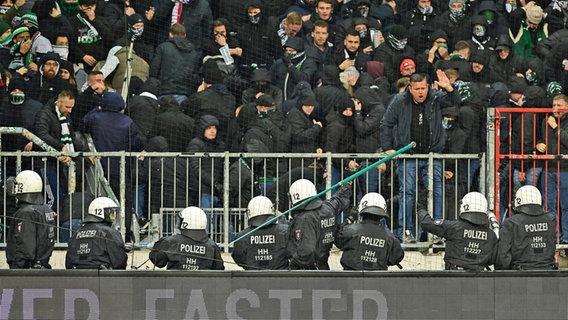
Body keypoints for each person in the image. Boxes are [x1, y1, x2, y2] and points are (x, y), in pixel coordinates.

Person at [380, 70, 461, 243]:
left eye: (423, 88)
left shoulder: (435, 97)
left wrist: (449, 88)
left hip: (433, 155)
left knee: (437, 192)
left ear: (428, 87)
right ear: (410, 88)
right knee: (407, 192)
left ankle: (437, 233)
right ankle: (406, 232)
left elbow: (456, 102)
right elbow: (386, 123)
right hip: (408, 155)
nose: (421, 92)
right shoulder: (399, 101)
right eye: (417, 88)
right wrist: (387, 148)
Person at [419, 191, 498, 271]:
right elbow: (491, 260)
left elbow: (426, 223)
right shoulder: (491, 236)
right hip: (479, 280)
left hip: (453, 277)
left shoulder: (454, 227)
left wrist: (420, 207)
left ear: (465, 206)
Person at [286, 179, 352, 270]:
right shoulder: (328, 208)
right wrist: (347, 185)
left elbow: (306, 251)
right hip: (324, 266)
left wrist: (292, 266)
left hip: (308, 271)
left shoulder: (304, 219)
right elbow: (339, 199)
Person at [335, 192, 404, 270]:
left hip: (350, 279)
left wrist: (350, 219)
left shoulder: (350, 231)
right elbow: (396, 257)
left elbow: (337, 239)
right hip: (378, 280)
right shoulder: (390, 238)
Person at [495, 186, 557, 270]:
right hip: (549, 271)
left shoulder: (511, 222)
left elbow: (503, 256)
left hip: (520, 275)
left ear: (518, 201)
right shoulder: (551, 220)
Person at [6, 170, 56, 269]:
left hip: (26, 270)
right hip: (42, 265)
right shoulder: (46, 209)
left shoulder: (26, 213)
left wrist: (17, 267)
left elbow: (25, 247)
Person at [149, 206, 225, 270]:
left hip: (174, 285)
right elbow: (219, 270)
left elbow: (158, 261)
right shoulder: (212, 246)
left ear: (185, 223)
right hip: (203, 286)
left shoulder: (171, 242)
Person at [536, 94, 568, 243]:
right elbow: (543, 140)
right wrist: (539, 145)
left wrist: (556, 127)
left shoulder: (557, 123)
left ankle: (566, 240)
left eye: (559, 105)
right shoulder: (546, 121)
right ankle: (551, 238)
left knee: (566, 206)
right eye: (554, 105)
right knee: (548, 206)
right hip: (549, 169)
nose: (555, 108)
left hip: (566, 170)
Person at [65, 197, 127, 269]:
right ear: (101, 212)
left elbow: (68, 263)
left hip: (78, 277)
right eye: (111, 213)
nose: (113, 217)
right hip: (104, 278)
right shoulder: (110, 233)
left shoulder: (76, 234)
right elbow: (119, 261)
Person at [232, 196, 290, 270]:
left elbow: (238, 259)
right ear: (272, 210)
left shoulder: (242, 236)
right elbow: (292, 253)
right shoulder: (285, 231)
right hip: (281, 278)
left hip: (252, 278)